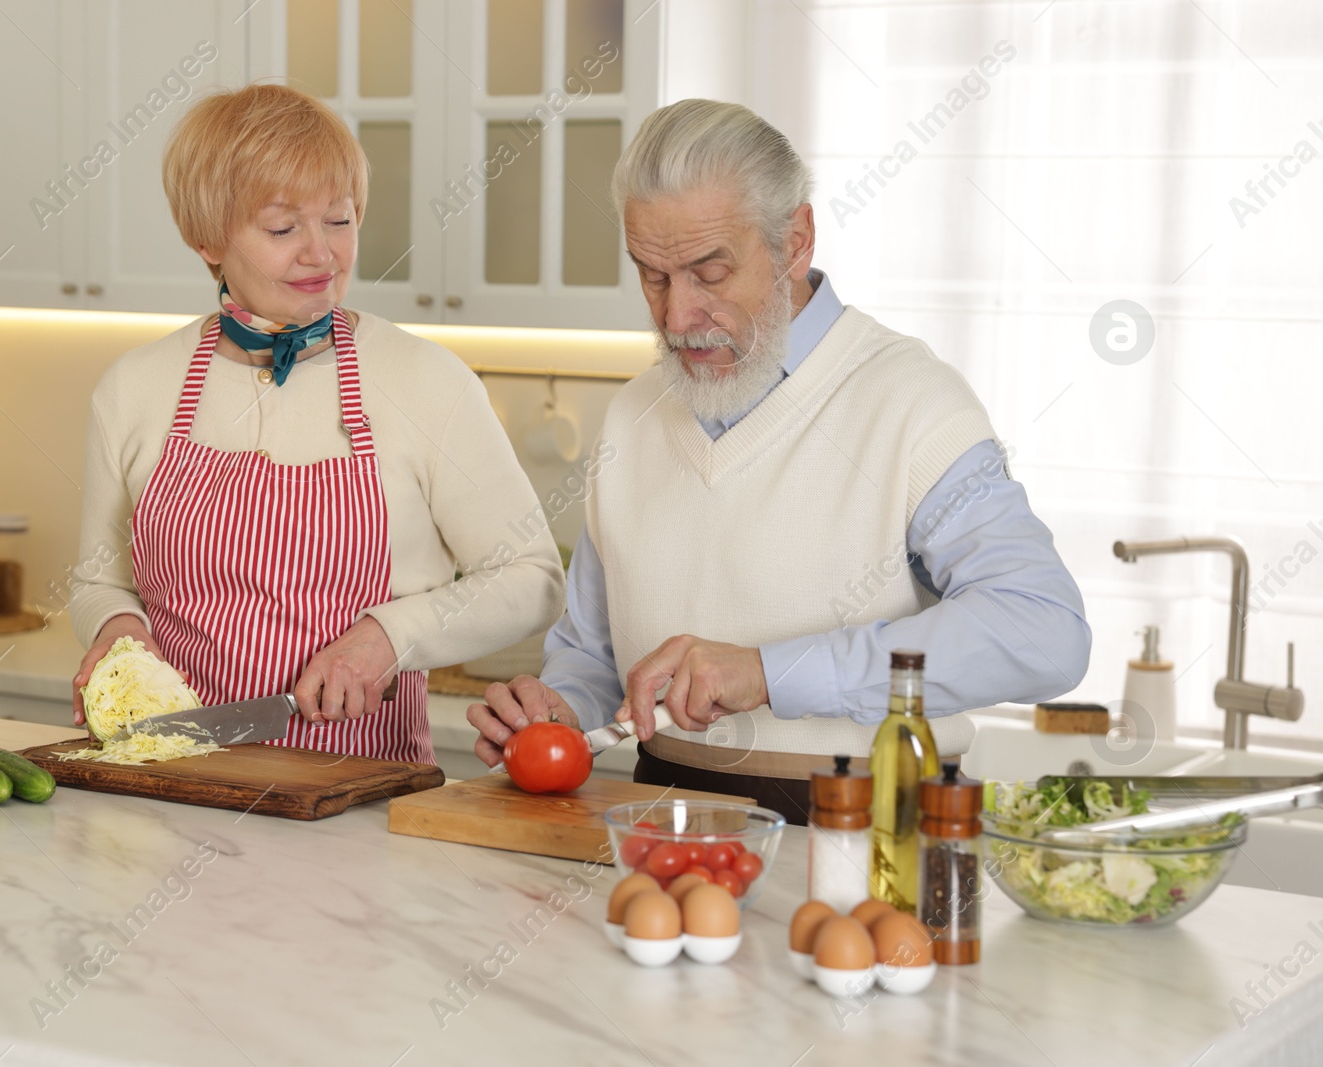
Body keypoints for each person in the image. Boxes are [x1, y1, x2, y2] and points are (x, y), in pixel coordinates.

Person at [467, 99, 1090, 819]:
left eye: (709, 272)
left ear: (794, 240)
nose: (675, 317)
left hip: (866, 830)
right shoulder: (633, 417)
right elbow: (594, 654)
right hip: (652, 828)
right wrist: (556, 709)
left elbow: (1044, 630)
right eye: (652, 275)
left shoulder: (913, 403)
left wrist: (769, 672)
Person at [68, 84, 564, 763]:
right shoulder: (135, 387)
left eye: (340, 219)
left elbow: (530, 578)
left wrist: (389, 636)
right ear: (205, 237)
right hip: (172, 789)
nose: (322, 254)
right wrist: (117, 628)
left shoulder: (426, 380)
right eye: (282, 228)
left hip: (357, 809)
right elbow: (100, 577)